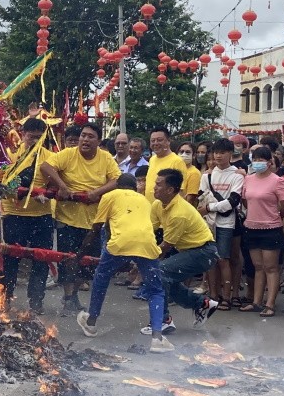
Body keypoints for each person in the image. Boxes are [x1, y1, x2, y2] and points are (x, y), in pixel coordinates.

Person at [77, 174, 171, 351]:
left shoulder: (109, 196)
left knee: (101, 278)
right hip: (147, 244)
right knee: (156, 289)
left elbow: (97, 228)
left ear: (117, 186)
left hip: (121, 242)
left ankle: (91, 321)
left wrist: (80, 254)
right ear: (134, 188)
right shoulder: (144, 200)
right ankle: (157, 338)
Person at [39, 122, 120, 313]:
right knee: (68, 260)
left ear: (98, 141)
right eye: (83, 135)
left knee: (89, 263)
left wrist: (97, 192)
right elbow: (46, 166)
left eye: (90, 136)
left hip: (94, 221)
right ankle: (68, 297)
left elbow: (116, 180)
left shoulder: (106, 158)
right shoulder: (68, 154)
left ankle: (74, 292)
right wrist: (62, 186)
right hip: (67, 218)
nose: (85, 139)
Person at [151, 168, 219, 330]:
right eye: (155, 183)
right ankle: (202, 304)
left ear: (170, 189)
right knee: (166, 278)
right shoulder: (157, 204)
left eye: (159, 185)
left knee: (159, 271)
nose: (154, 187)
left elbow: (166, 246)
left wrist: (145, 261)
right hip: (191, 252)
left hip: (204, 253)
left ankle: (163, 321)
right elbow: (148, 232)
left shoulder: (179, 212)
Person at [0, 118, 55, 314]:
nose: (35, 141)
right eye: (31, 137)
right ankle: (4, 297)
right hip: (13, 214)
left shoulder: (51, 157)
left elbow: (56, 183)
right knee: (10, 259)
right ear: (22, 134)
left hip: (41, 214)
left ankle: (36, 301)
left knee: (42, 258)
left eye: (39, 138)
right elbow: (0, 180)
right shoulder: (10, 154)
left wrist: (46, 193)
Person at [238, 145, 284, 316]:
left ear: (269, 162)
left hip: (271, 228)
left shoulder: (278, 181)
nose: (257, 163)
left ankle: (270, 303)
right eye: (255, 159)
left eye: (261, 160)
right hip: (251, 226)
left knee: (271, 267)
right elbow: (245, 201)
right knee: (258, 266)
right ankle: (256, 301)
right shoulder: (249, 179)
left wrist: (275, 216)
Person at [199, 138, 244, 309]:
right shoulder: (207, 176)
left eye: (222, 152)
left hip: (227, 222)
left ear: (230, 154)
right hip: (209, 223)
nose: (218, 156)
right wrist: (210, 208)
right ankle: (213, 294)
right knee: (211, 259)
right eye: (216, 152)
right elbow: (201, 196)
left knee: (224, 259)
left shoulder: (237, 175)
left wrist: (210, 207)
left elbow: (233, 201)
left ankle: (227, 296)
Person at [141, 128, 185, 204]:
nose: (156, 143)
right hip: (150, 208)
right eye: (153, 141)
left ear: (168, 141)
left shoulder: (177, 161)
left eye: (159, 140)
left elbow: (181, 191)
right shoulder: (152, 159)